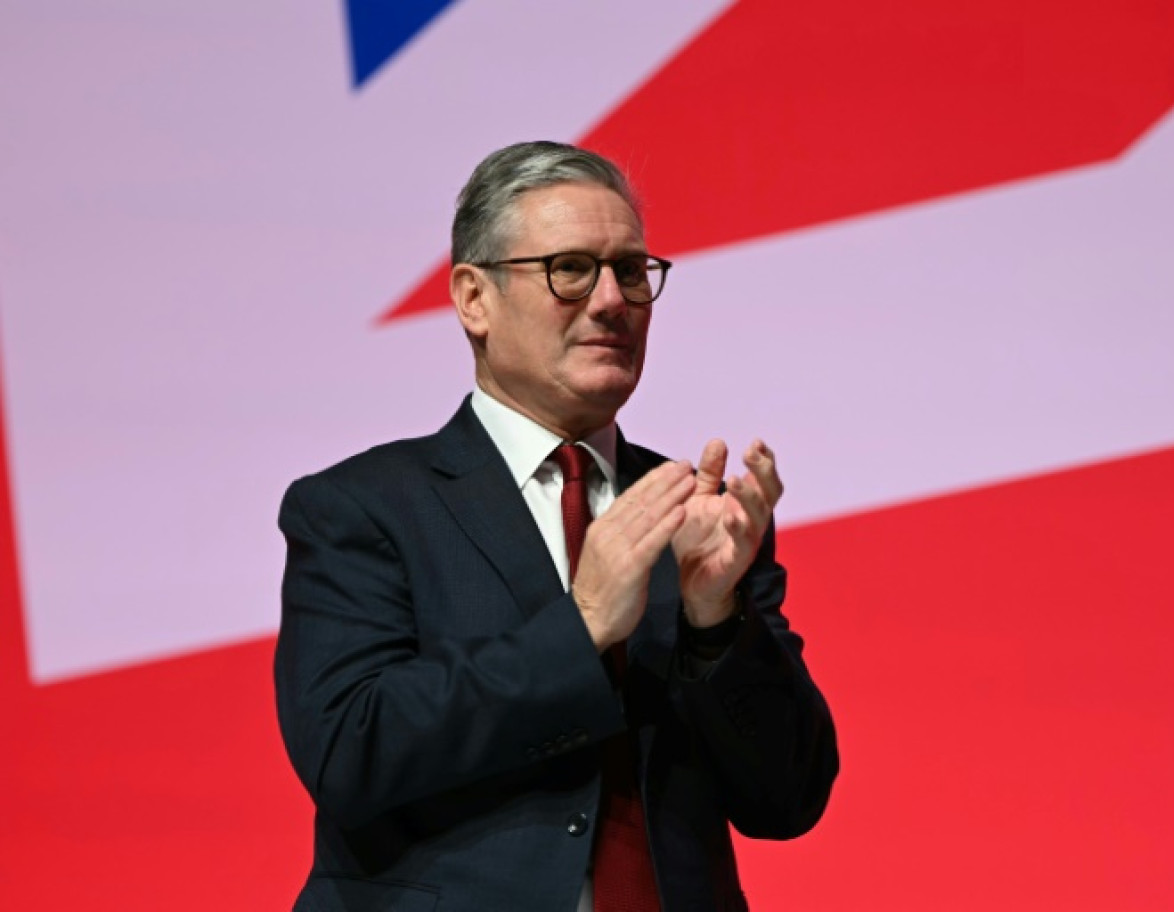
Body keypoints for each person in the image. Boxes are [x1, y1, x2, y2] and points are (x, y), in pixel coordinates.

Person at [274, 141, 838, 911]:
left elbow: (788, 798)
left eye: (632, 272)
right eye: (569, 269)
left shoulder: (693, 512)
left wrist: (715, 622)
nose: (611, 300)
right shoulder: (362, 508)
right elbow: (351, 752)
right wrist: (580, 628)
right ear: (474, 298)